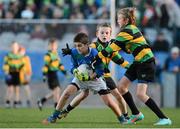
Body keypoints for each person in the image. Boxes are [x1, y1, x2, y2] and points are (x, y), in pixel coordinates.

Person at [94, 7, 172, 125]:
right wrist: (119, 45)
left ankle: (164, 118)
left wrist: (97, 56)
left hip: (146, 62)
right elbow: (128, 50)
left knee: (140, 94)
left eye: (119, 19)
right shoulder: (131, 29)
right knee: (121, 87)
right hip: (138, 62)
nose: (118, 21)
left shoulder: (126, 31)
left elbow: (112, 48)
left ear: (125, 20)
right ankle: (136, 114)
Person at [42, 32, 131, 124]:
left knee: (109, 102)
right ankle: (54, 116)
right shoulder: (74, 52)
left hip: (95, 79)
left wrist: (89, 77)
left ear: (87, 45)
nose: (77, 48)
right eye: (75, 46)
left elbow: (100, 70)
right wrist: (75, 71)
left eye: (80, 45)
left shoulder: (94, 53)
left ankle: (122, 119)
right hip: (81, 78)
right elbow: (73, 66)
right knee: (66, 93)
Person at [59, 23, 129, 119]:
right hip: (92, 74)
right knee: (84, 94)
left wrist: (130, 67)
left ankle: (126, 116)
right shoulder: (94, 46)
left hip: (105, 75)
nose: (104, 35)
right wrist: (70, 51)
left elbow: (120, 60)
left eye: (107, 33)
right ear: (97, 34)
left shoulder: (112, 49)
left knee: (118, 96)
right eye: (102, 32)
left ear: (110, 34)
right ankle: (66, 110)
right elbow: (83, 48)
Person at [37, 38, 67, 110]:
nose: (53, 47)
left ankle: (42, 101)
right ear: (49, 46)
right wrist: (44, 75)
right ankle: (57, 107)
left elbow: (59, 64)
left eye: (54, 45)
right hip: (50, 74)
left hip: (55, 73)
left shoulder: (56, 54)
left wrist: (64, 72)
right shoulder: (48, 55)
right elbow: (46, 65)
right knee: (57, 90)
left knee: (56, 91)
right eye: (51, 45)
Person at [3, 41, 25, 108]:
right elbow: (5, 64)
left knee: (17, 89)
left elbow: (22, 64)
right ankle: (7, 102)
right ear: (11, 47)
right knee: (10, 89)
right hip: (10, 73)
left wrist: (22, 70)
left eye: (15, 46)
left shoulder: (20, 56)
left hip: (17, 73)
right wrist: (6, 71)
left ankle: (16, 102)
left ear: (18, 47)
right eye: (13, 46)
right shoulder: (8, 55)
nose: (14, 48)